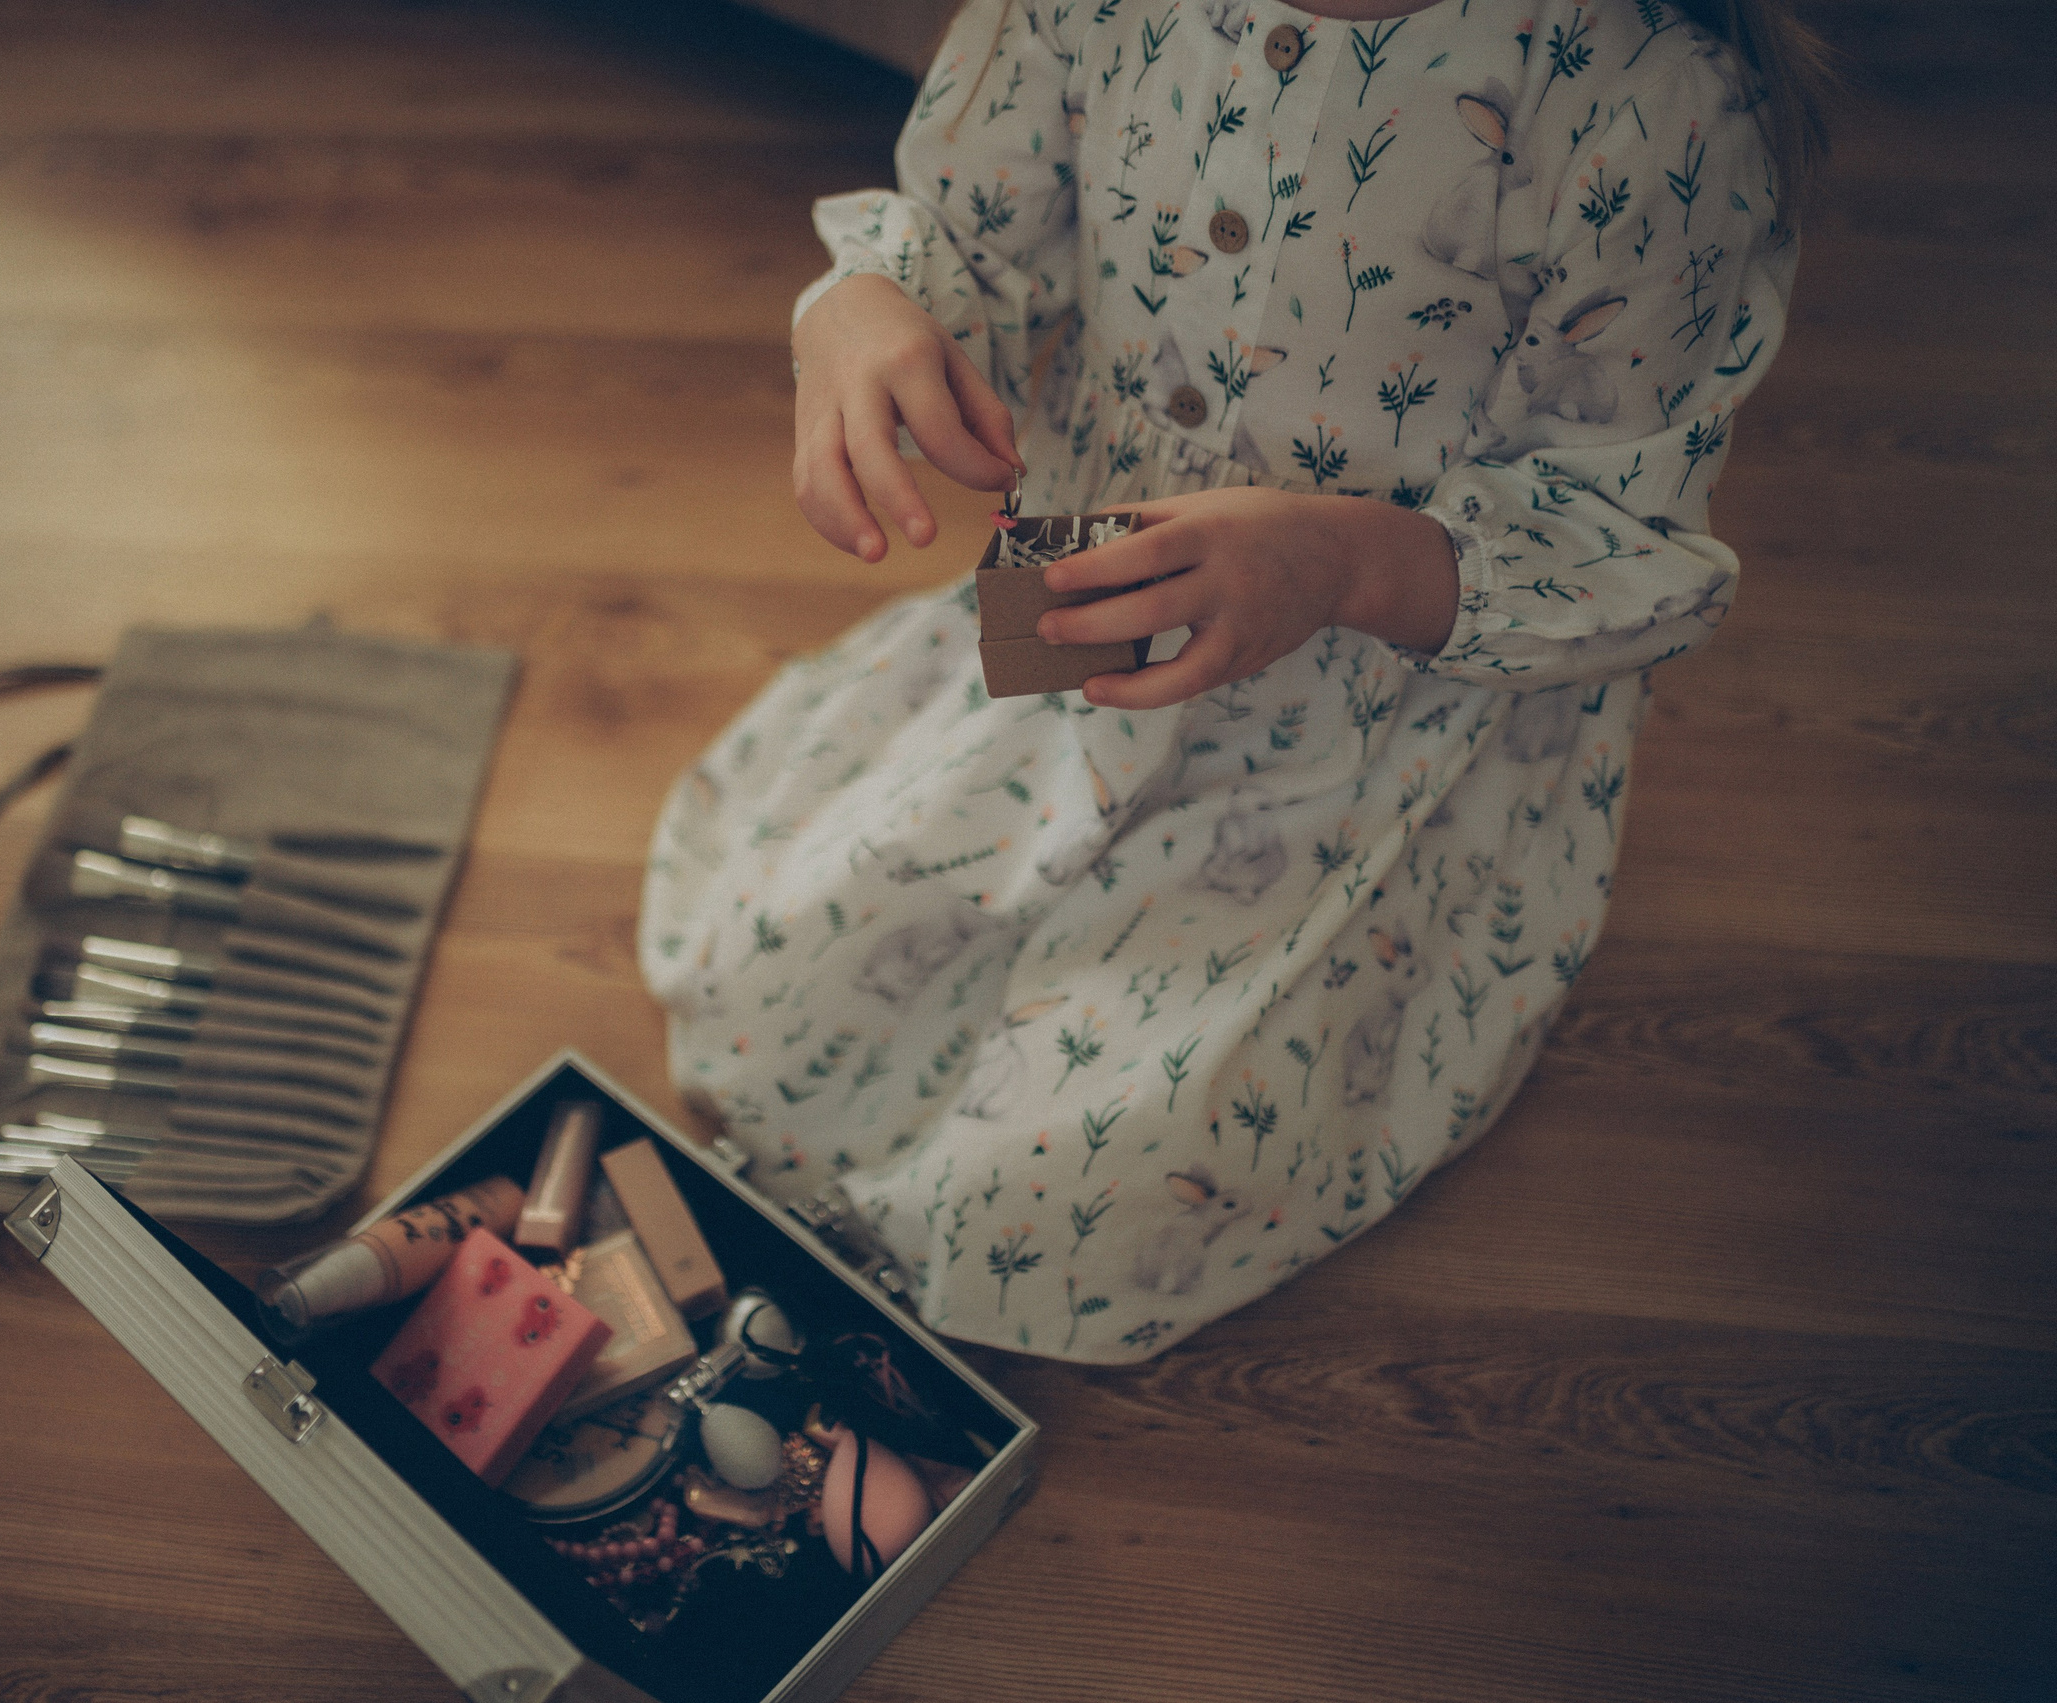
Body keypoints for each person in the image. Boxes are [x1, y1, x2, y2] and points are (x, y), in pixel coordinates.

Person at [642, 0, 1826, 1361]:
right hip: (1073, 642)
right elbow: (963, 233)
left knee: (1058, 1194)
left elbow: (1623, 541)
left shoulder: (1651, 101)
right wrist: (859, 306)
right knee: (766, 1002)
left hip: (1379, 728)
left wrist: (1343, 563)